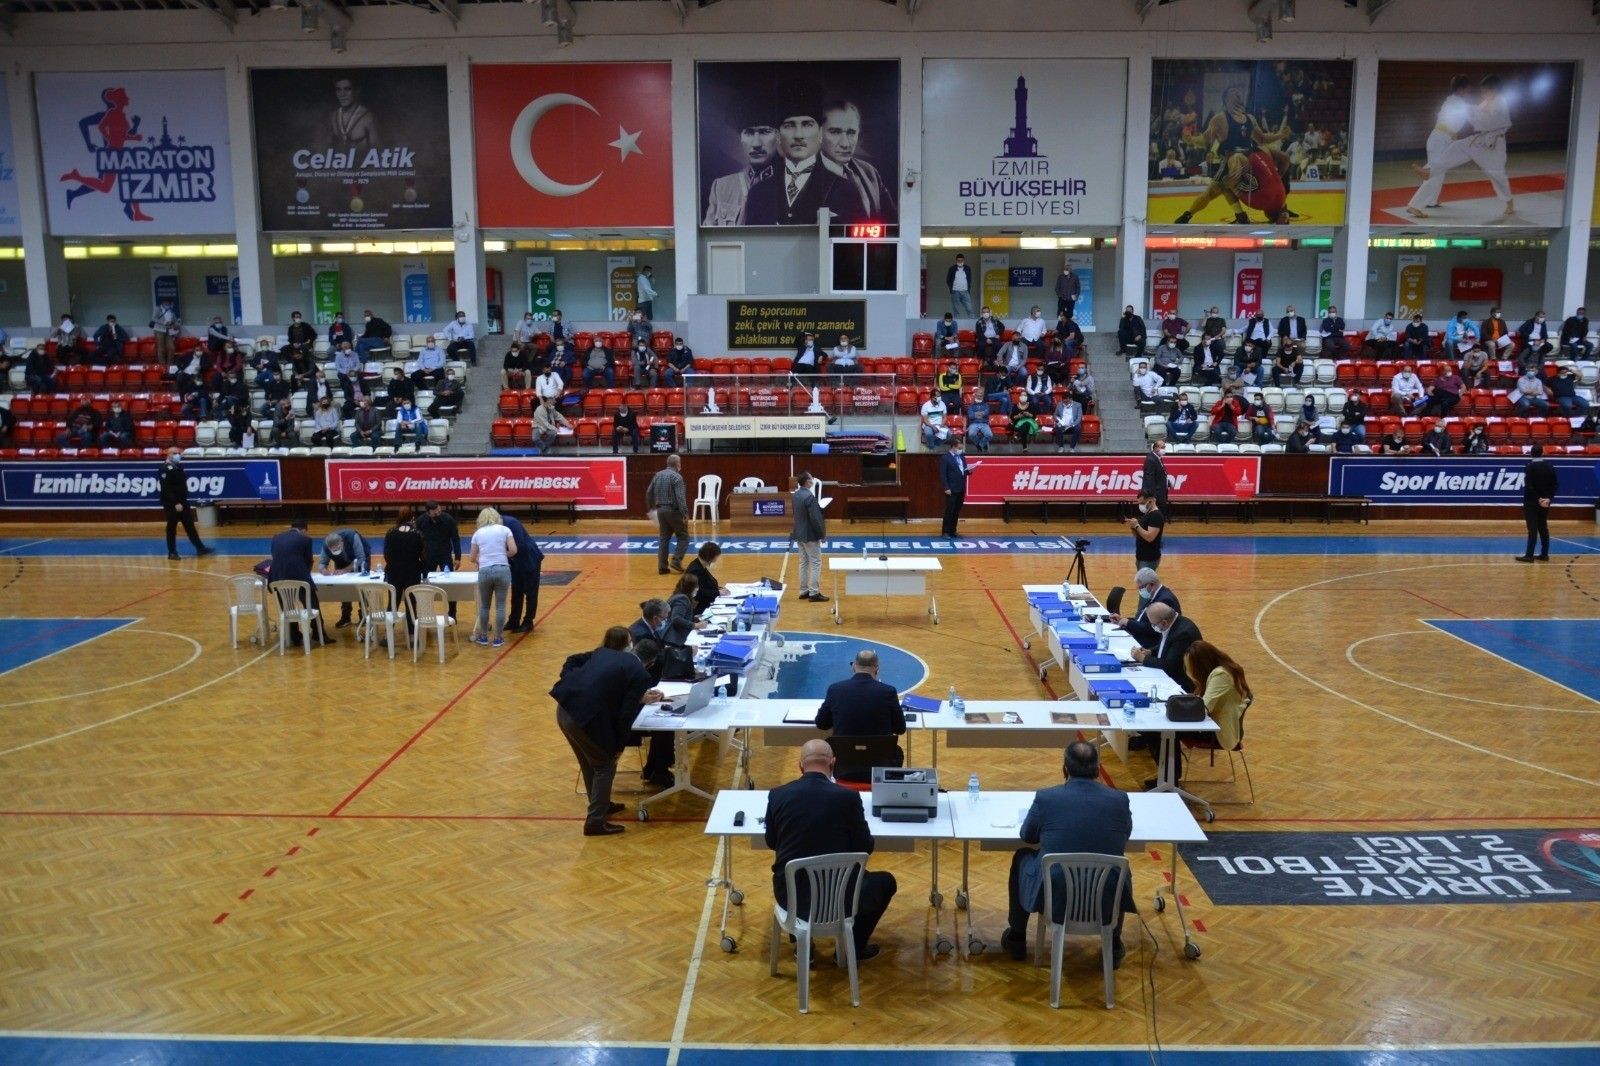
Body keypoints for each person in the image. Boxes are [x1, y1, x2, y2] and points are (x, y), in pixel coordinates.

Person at [1001, 742, 1135, 968]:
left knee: (1022, 855)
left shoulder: (1046, 798)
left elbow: (1027, 836)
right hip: (1104, 899)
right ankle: (1113, 943)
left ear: (1065, 769)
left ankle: (1017, 936)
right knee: (1119, 867)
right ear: (1097, 770)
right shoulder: (1120, 800)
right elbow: (1125, 834)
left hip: (1056, 897)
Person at [764, 739, 898, 962]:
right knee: (885, 882)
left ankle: (803, 945)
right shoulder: (848, 798)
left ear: (800, 766)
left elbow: (771, 841)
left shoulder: (778, 795)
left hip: (791, 897)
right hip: (839, 898)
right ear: (833, 764)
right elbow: (865, 847)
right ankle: (852, 950)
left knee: (797, 870)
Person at [552, 626, 663, 836]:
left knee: (590, 763)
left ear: (635, 648)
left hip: (565, 708)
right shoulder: (640, 673)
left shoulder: (605, 652)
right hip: (584, 718)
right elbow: (625, 715)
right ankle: (595, 821)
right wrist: (619, 746)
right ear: (651, 662)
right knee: (605, 764)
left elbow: (609, 688)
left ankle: (600, 805)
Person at [741, 90, 860, 226]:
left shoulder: (845, 190)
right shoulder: (758, 193)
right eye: (789, 125)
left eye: (807, 125)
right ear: (778, 136)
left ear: (820, 133)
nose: (798, 135)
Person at [1162, 640, 1253, 788]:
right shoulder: (1219, 670)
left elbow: (1202, 709)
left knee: (1167, 732)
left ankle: (1170, 780)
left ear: (1200, 665)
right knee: (1167, 731)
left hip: (1218, 731)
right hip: (1211, 723)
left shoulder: (1221, 675)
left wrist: (1178, 705)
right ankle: (1168, 778)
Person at [815, 649, 905, 779]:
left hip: (844, 765)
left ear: (854, 666)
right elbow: (900, 728)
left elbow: (822, 724)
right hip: (880, 766)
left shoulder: (835, 690)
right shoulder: (888, 691)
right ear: (877, 668)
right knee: (897, 751)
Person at [1405, 75, 1475, 219]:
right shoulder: (1457, 103)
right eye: (1468, 90)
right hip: (1440, 140)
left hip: (1441, 139)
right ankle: (1414, 206)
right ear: (1461, 89)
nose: (1469, 93)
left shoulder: (1452, 101)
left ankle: (1431, 201)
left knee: (1439, 172)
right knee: (1436, 174)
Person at [820, 98, 894, 221]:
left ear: (858, 133)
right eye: (835, 132)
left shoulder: (870, 172)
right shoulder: (807, 177)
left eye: (851, 132)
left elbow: (890, 219)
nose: (845, 143)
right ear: (819, 134)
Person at [704, 101, 777, 226]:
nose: (756, 144)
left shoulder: (790, 187)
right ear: (740, 137)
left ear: (778, 137)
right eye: (749, 132)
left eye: (765, 131)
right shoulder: (721, 187)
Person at [270, 517, 327, 645]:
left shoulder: (276, 537)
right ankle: (318, 634)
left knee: (287, 607)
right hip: (298, 577)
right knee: (312, 604)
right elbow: (308, 560)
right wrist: (306, 574)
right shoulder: (305, 539)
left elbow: (275, 556)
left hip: (277, 577)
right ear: (304, 530)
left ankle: (293, 636)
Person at [468, 507, 516, 648]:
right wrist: (502, 556)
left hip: (485, 570)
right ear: (497, 517)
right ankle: (498, 638)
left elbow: (471, 557)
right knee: (500, 606)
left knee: (484, 606)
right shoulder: (505, 530)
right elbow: (513, 550)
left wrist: (481, 560)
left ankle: (483, 636)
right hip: (502, 569)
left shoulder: (477, 533)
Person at [1130, 601, 1200, 695]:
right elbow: (1167, 645)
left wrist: (1143, 658)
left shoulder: (1183, 634)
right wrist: (1150, 652)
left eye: (1153, 624)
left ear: (1164, 622)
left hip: (1182, 686)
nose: (1153, 627)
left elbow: (1170, 666)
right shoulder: (1173, 623)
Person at [159, 448, 215, 561]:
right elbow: (166, 488)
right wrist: (175, 503)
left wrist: (182, 501)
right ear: (168, 454)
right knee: (171, 527)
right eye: (174, 453)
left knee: (190, 525)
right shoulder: (165, 468)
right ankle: (172, 552)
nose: (177, 455)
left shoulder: (178, 466)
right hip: (172, 503)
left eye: (178, 453)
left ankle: (200, 548)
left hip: (183, 501)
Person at [1111, 567, 1181, 649]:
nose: (1140, 591)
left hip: (1150, 645)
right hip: (1142, 638)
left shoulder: (1164, 600)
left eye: (1141, 588)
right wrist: (1123, 620)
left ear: (1151, 584)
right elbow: (1142, 620)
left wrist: (1129, 623)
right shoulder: (1156, 595)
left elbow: (1155, 629)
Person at [382, 507, 426, 637]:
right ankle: (412, 634)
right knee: (411, 603)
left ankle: (388, 634)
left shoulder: (390, 533)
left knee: (392, 603)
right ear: (412, 518)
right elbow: (424, 556)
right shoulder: (418, 534)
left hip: (394, 571)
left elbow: (386, 555)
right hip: (412, 572)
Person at [645, 453, 690, 575]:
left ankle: (662, 567)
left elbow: (649, 493)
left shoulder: (658, 475)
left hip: (660, 511)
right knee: (684, 537)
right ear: (677, 464)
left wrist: (652, 508)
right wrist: (685, 514)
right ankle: (676, 561)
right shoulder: (677, 477)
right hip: (673, 511)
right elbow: (680, 498)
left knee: (664, 538)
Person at [501, 513, 544, 634]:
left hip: (529, 558)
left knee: (531, 592)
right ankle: (514, 620)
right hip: (515, 561)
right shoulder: (497, 526)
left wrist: (501, 553)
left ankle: (528, 621)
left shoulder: (511, 523)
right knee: (516, 590)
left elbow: (519, 545)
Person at [320, 528, 369, 629]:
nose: (336, 551)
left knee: (363, 585)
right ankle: (346, 617)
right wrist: (324, 571)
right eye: (334, 550)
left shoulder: (352, 537)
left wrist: (344, 570)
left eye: (338, 548)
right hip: (341, 562)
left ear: (342, 543)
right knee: (343, 587)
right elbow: (322, 563)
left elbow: (361, 558)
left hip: (360, 558)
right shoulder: (326, 545)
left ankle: (364, 615)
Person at [1515, 444, 1557, 563]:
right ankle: (1544, 554)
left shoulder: (1529, 467)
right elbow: (1555, 485)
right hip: (1545, 502)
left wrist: (1538, 498)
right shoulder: (1550, 467)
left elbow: (1529, 486)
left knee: (1532, 528)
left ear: (1531, 454)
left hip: (1531, 502)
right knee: (1543, 527)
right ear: (1542, 453)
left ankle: (1529, 555)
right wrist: (1548, 498)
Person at [791, 471, 827, 602]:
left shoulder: (795, 495)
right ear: (807, 482)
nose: (813, 480)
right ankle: (814, 593)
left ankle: (804, 591)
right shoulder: (810, 497)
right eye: (811, 478)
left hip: (799, 533)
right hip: (809, 535)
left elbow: (798, 515)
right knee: (816, 562)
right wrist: (822, 534)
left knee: (803, 562)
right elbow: (815, 519)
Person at [1124, 486, 1165, 576]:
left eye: (1142, 503)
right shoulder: (1147, 514)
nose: (1140, 506)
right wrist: (1133, 527)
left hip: (1149, 559)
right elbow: (1138, 535)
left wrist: (1137, 526)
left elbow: (1150, 537)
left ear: (1151, 501)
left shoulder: (1156, 515)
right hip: (1141, 557)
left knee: (1146, 584)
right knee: (1142, 583)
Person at [939, 435, 969, 539]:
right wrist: (946, 487)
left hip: (961, 488)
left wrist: (969, 470)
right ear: (953, 446)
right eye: (959, 448)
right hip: (951, 489)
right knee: (950, 510)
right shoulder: (945, 458)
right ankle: (945, 531)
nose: (960, 450)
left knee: (956, 511)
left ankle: (953, 531)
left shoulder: (962, 457)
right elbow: (943, 474)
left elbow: (964, 471)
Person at [685, 542, 723, 616]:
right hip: (700, 609)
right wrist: (717, 592)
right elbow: (698, 594)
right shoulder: (695, 570)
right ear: (710, 557)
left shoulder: (700, 565)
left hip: (705, 604)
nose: (716, 559)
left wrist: (718, 589)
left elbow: (705, 584)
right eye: (716, 556)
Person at [1142, 439, 1170, 513]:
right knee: (1156, 515)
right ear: (1156, 448)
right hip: (1156, 495)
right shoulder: (1151, 459)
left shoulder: (1158, 458)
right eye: (1162, 447)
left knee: (1160, 515)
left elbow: (1159, 474)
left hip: (1161, 493)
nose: (1164, 449)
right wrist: (1152, 496)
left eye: (1164, 447)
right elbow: (1149, 479)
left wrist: (1168, 482)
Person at [947, 253, 974, 319]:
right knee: (956, 310)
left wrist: (968, 289)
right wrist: (952, 289)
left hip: (965, 292)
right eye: (958, 260)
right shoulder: (952, 269)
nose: (960, 262)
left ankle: (972, 322)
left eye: (961, 260)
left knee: (969, 308)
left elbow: (969, 279)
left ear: (964, 260)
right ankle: (957, 323)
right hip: (955, 292)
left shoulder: (967, 268)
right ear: (956, 261)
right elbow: (948, 280)